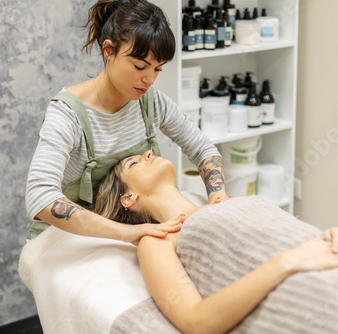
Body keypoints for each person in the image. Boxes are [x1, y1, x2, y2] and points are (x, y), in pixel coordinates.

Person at [94, 150, 338, 334]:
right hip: (313, 295)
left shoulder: (228, 203)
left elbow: (282, 235)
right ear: (128, 198)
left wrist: (334, 234)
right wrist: (287, 262)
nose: (149, 153)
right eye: (135, 163)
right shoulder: (156, 240)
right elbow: (196, 322)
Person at [25, 0, 229, 243]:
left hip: (129, 232)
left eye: (157, 69)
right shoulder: (68, 115)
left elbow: (202, 148)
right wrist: (126, 233)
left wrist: (218, 198)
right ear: (108, 51)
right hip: (65, 240)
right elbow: (39, 196)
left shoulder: (150, 101)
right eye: (139, 66)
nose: (149, 79)